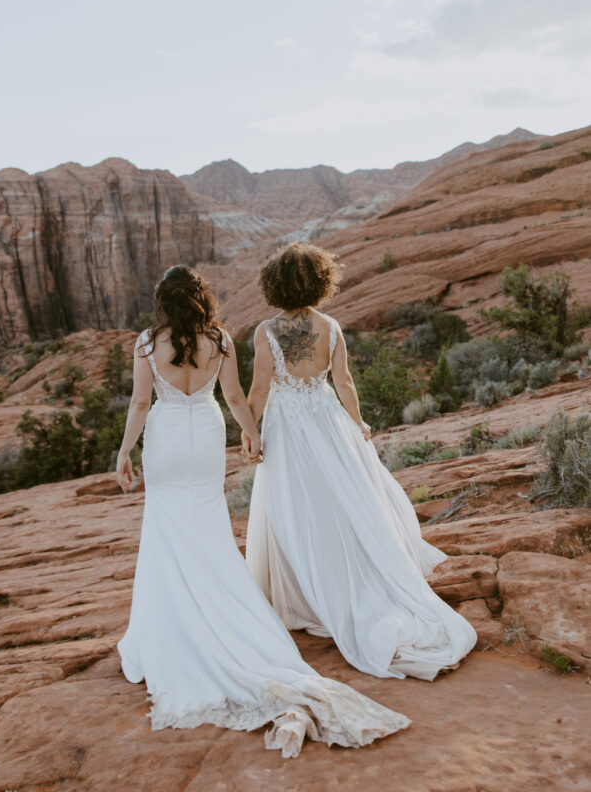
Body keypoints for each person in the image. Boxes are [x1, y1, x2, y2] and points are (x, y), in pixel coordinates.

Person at [115, 264, 410, 758]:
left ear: (163, 300)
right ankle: (232, 614)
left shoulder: (147, 342)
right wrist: (250, 432)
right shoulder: (222, 340)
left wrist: (125, 451)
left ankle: (174, 626)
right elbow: (233, 396)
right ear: (201, 299)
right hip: (206, 435)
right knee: (209, 527)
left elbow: (141, 403)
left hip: (166, 439)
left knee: (165, 528)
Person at [241, 243, 476, 681]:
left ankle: (310, 594)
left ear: (275, 283)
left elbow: (258, 390)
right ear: (319, 280)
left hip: (288, 426)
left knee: (297, 507)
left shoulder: (266, 331)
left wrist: (250, 432)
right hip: (327, 420)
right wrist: (359, 422)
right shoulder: (329, 326)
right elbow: (343, 382)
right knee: (343, 501)